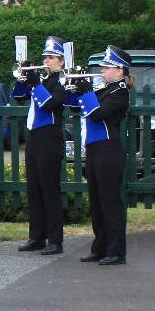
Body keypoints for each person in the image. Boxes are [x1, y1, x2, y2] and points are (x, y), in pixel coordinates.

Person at [66, 46, 132, 266]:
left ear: (120, 70)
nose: (103, 70)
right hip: (95, 150)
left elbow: (97, 114)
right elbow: (76, 107)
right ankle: (100, 247)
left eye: (107, 67)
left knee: (110, 202)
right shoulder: (105, 89)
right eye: (103, 67)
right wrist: (74, 89)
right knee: (96, 202)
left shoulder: (120, 92)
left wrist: (85, 92)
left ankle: (116, 251)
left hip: (108, 150)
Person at [11, 36, 69, 256]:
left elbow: (50, 103)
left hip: (49, 136)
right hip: (34, 136)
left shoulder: (63, 80)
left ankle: (56, 240)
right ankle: (37, 236)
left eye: (50, 57)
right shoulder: (44, 80)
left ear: (61, 61)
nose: (45, 60)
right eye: (45, 56)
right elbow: (17, 96)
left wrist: (35, 82)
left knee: (49, 188)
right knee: (34, 188)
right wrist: (24, 77)